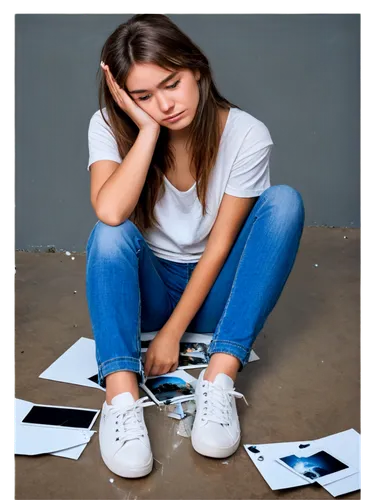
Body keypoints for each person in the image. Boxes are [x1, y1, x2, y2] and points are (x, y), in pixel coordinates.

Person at [85, 12, 305, 479]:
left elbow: (222, 245)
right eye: (144, 96)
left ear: (197, 69)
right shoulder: (108, 126)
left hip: (212, 296)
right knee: (109, 233)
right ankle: (121, 395)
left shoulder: (247, 134)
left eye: (172, 83)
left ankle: (220, 376)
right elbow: (109, 212)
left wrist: (172, 334)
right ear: (124, 98)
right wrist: (145, 133)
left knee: (284, 203)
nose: (164, 104)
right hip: (150, 291)